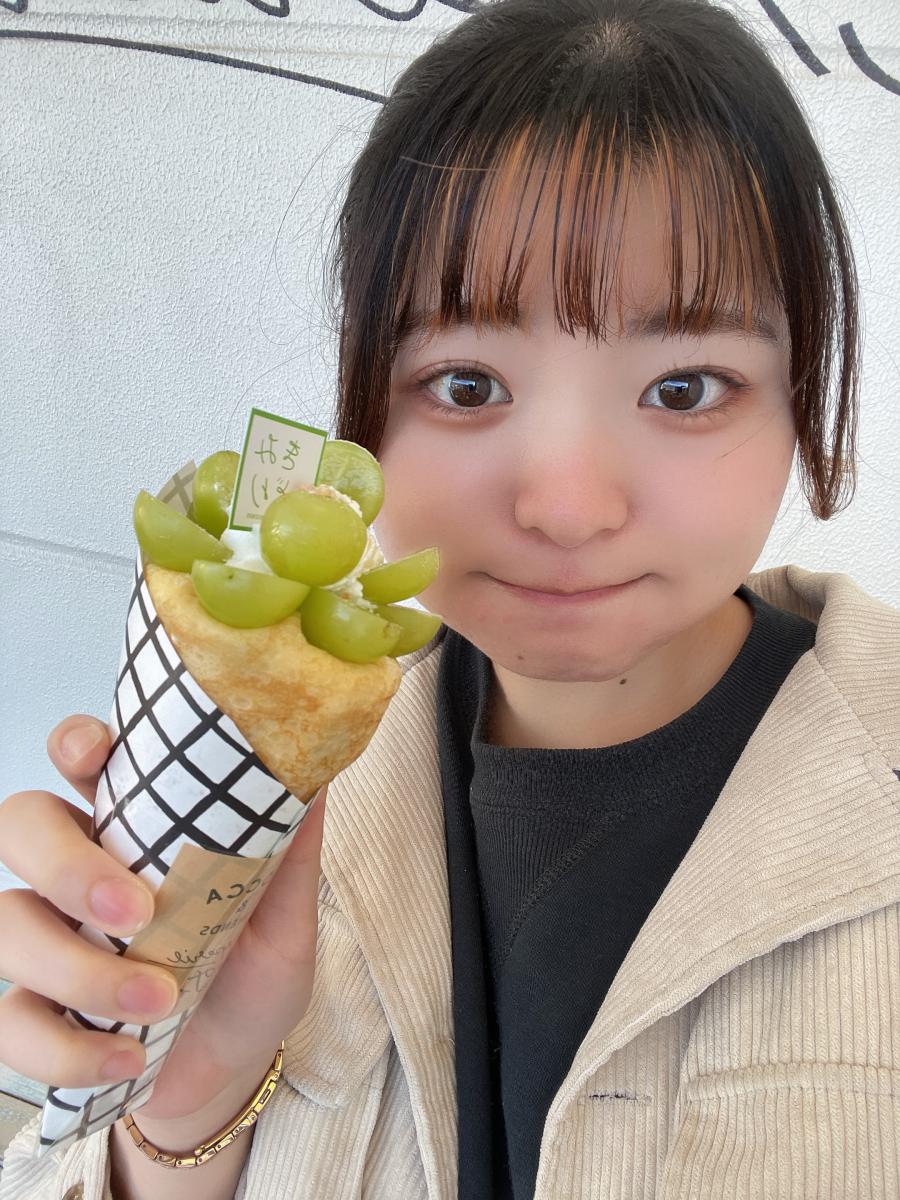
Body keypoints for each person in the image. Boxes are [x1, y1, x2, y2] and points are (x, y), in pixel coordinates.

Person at [1, 0, 898, 1197]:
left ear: (803, 396)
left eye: (685, 387)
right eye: (467, 384)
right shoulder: (264, 812)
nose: (567, 506)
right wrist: (181, 1109)